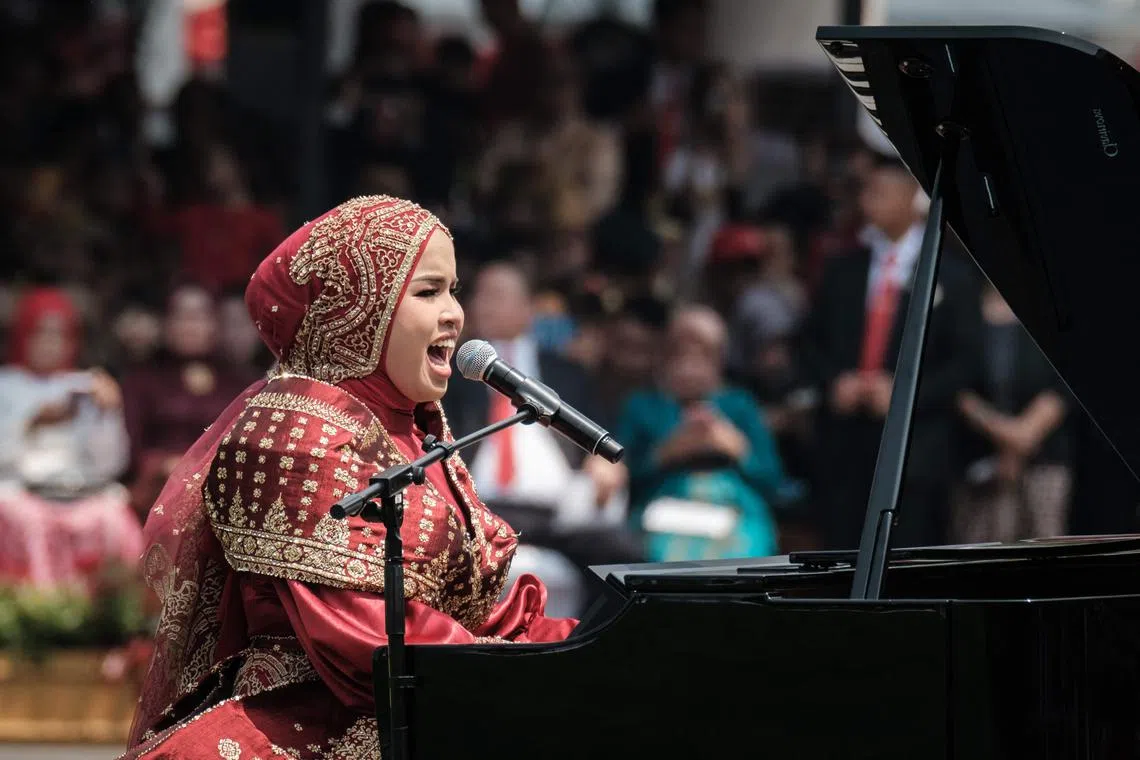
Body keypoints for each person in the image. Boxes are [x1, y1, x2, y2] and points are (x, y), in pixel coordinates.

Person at [122, 196, 576, 759]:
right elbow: (368, 640)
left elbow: (474, 616)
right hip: (306, 731)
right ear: (360, 309)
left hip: (427, 704)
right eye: (429, 291)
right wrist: (532, 673)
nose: (455, 313)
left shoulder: (415, 431)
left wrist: (578, 646)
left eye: (454, 290)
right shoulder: (289, 432)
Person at [616, 305, 786, 562]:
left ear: (718, 360)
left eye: (702, 357)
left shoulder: (739, 404)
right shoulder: (644, 405)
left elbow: (773, 481)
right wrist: (666, 452)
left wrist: (736, 447)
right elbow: (622, 472)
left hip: (734, 512)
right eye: (680, 355)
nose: (689, 367)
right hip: (663, 511)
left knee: (740, 560)